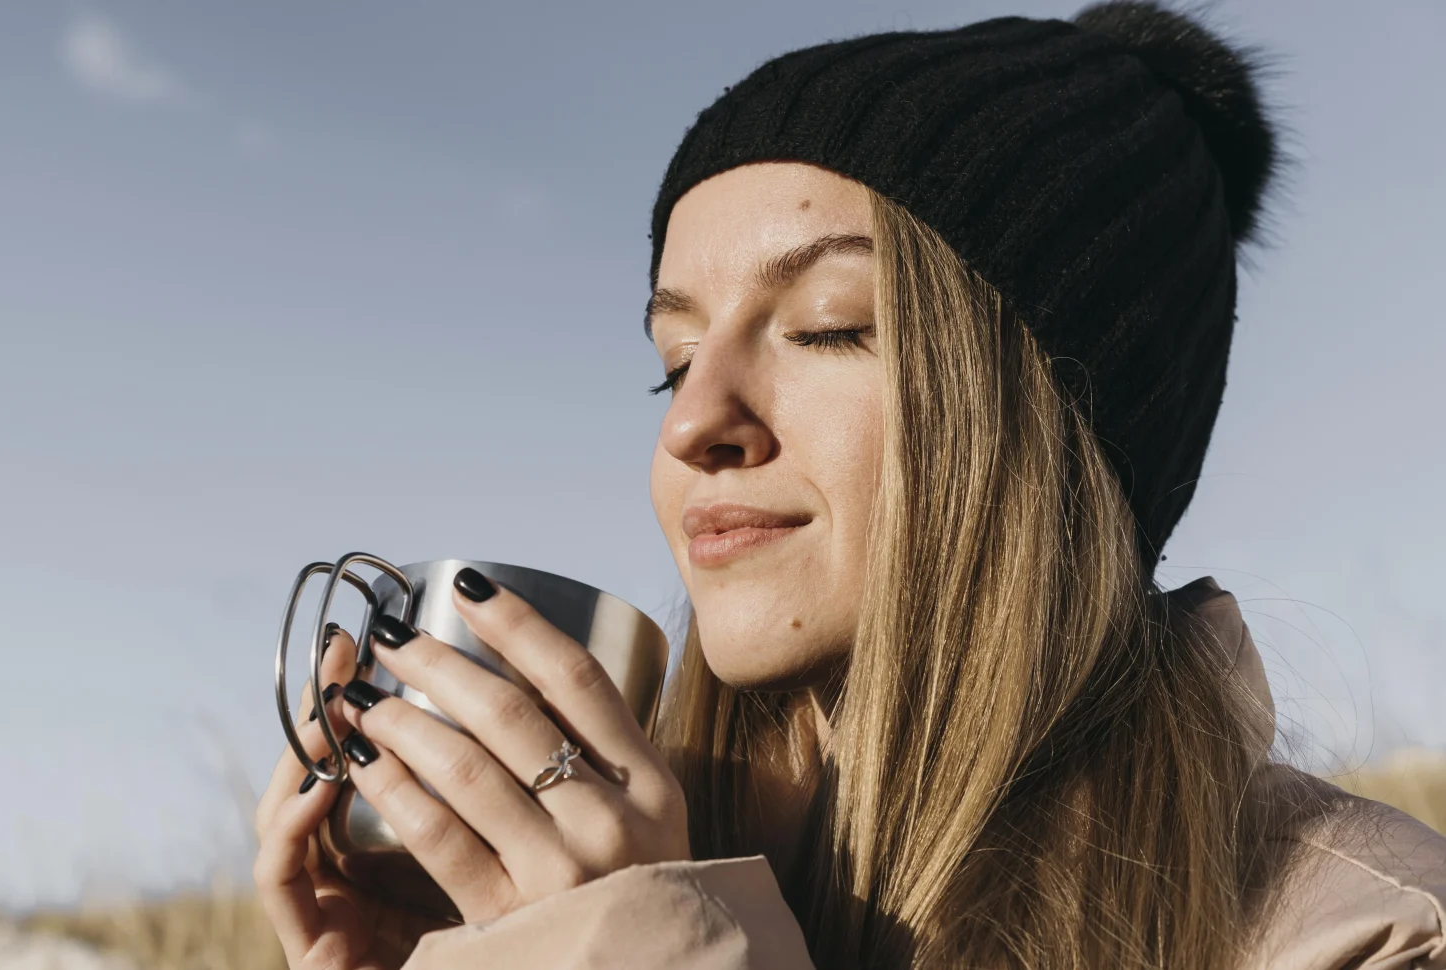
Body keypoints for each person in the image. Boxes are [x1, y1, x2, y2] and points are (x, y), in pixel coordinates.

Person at [252, 3, 1446, 968]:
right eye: (672, 359)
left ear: (1056, 421)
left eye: (828, 327)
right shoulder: (628, 860)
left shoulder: (1365, 931)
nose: (694, 423)